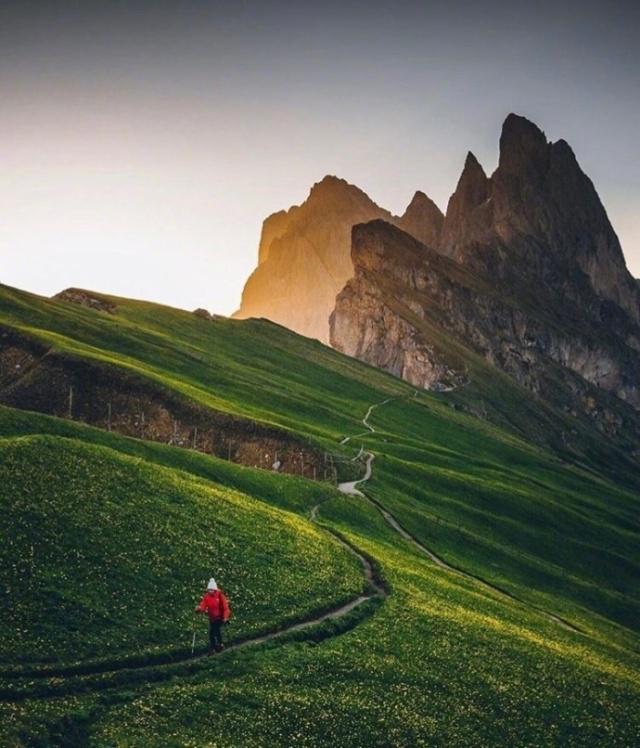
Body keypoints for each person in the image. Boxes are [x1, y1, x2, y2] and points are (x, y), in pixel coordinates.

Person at [195, 577, 231, 655]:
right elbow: (203, 605)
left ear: (215, 590)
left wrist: (225, 617)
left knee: (213, 632)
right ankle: (219, 645)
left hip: (220, 617)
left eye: (211, 590)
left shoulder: (220, 595)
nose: (210, 591)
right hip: (212, 618)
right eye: (209, 590)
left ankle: (214, 647)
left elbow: (225, 607)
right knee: (215, 632)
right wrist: (199, 609)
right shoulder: (206, 597)